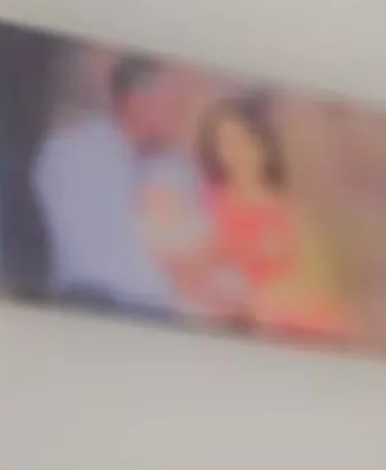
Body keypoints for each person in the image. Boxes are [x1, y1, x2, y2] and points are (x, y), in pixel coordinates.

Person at [27, 51, 201, 315]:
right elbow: (84, 259)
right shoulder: (74, 152)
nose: (178, 113)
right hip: (93, 303)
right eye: (171, 103)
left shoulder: (176, 168)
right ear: (137, 99)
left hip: (161, 313)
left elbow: (194, 246)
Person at [189, 96, 347, 340]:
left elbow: (316, 288)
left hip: (289, 323)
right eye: (224, 142)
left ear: (262, 145)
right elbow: (198, 270)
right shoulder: (207, 200)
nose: (234, 151)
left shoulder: (289, 212)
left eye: (242, 140)